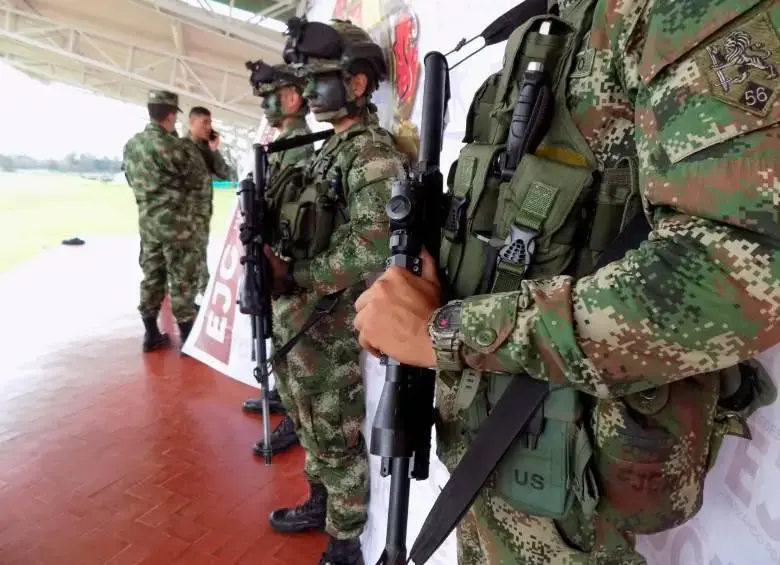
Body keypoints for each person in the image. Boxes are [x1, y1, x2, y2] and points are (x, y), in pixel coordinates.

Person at [353, 1, 780, 564]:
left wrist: (446, 333)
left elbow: (741, 270)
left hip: (568, 464)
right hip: (487, 437)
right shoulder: (553, 22)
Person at [260, 18, 408, 565]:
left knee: (333, 433)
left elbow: (371, 245)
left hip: (330, 321)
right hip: (302, 320)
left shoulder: (370, 154)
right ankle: (321, 503)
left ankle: (345, 541)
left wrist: (295, 277)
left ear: (357, 84)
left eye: (320, 79)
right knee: (307, 422)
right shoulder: (330, 148)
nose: (309, 91)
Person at [242, 63, 316, 460]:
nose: (265, 105)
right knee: (279, 340)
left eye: (270, 97)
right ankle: (283, 398)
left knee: (294, 349)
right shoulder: (285, 143)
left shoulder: (299, 145)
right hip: (279, 263)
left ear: (290, 98)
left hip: (294, 267)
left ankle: (292, 415)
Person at [123, 90, 210, 352]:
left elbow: (131, 179)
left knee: (152, 275)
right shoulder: (178, 147)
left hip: (148, 224)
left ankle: (151, 334)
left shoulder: (132, 145)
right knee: (182, 279)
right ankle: (187, 339)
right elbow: (199, 180)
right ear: (171, 115)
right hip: (178, 225)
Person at [183, 106, 235, 298]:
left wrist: (214, 150)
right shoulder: (182, 147)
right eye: (204, 122)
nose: (208, 127)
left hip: (202, 210)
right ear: (191, 123)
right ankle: (200, 292)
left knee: (199, 249)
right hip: (186, 210)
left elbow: (225, 173)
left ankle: (200, 292)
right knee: (191, 252)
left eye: (210, 122)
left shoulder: (206, 148)